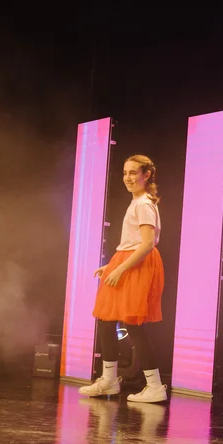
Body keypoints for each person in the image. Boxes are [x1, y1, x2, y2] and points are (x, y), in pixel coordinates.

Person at [79, 155, 167, 403]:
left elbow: (147, 244)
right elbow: (133, 242)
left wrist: (120, 269)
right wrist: (112, 265)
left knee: (132, 324)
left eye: (133, 173)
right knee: (107, 320)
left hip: (137, 265)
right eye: (125, 173)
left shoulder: (144, 204)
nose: (128, 178)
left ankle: (154, 386)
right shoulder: (138, 202)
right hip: (128, 261)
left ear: (146, 175)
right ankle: (109, 380)